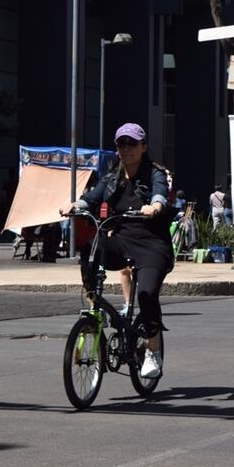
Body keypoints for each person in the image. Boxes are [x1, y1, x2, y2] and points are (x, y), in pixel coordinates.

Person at [60, 122, 172, 379]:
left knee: (145, 295)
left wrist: (154, 206)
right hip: (121, 238)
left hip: (152, 244)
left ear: (143, 147)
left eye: (132, 143)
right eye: (122, 144)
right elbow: (93, 197)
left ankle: (152, 349)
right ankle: (93, 303)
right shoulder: (112, 176)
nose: (126, 149)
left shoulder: (154, 172)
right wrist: (76, 205)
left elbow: (160, 193)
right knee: (92, 249)